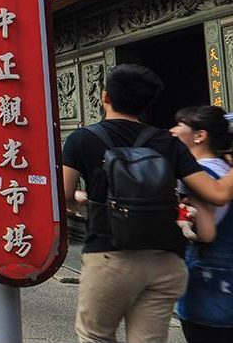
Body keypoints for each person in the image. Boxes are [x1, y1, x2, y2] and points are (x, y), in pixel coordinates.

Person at [62, 65, 233, 342]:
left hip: (109, 258)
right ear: (147, 105)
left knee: (95, 335)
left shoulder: (82, 139)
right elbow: (217, 194)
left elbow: (63, 195)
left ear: (105, 97)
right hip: (165, 262)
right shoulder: (169, 142)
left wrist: (81, 201)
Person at [171, 106, 233, 343]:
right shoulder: (226, 170)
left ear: (200, 135)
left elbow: (205, 233)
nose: (172, 130)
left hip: (209, 284)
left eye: (179, 125)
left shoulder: (197, 176)